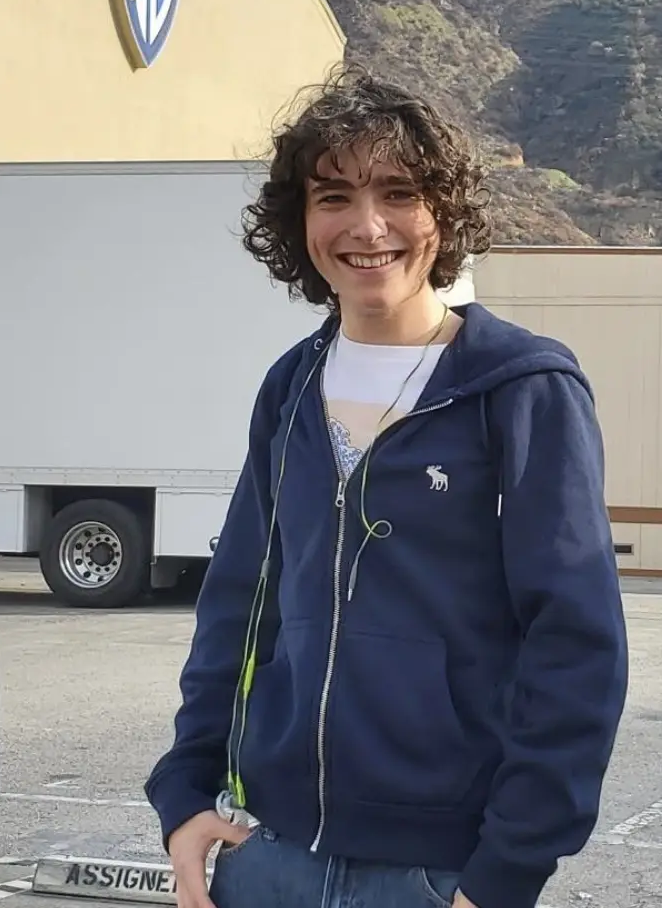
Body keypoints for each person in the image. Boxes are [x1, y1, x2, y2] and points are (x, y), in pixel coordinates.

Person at [145, 64, 629, 908]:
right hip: (270, 856)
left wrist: (506, 869)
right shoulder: (290, 388)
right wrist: (185, 795)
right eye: (333, 196)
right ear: (300, 223)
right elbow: (237, 607)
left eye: (399, 192)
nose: (367, 227)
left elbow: (576, 644)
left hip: (439, 874)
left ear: (444, 213)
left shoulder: (523, 390)